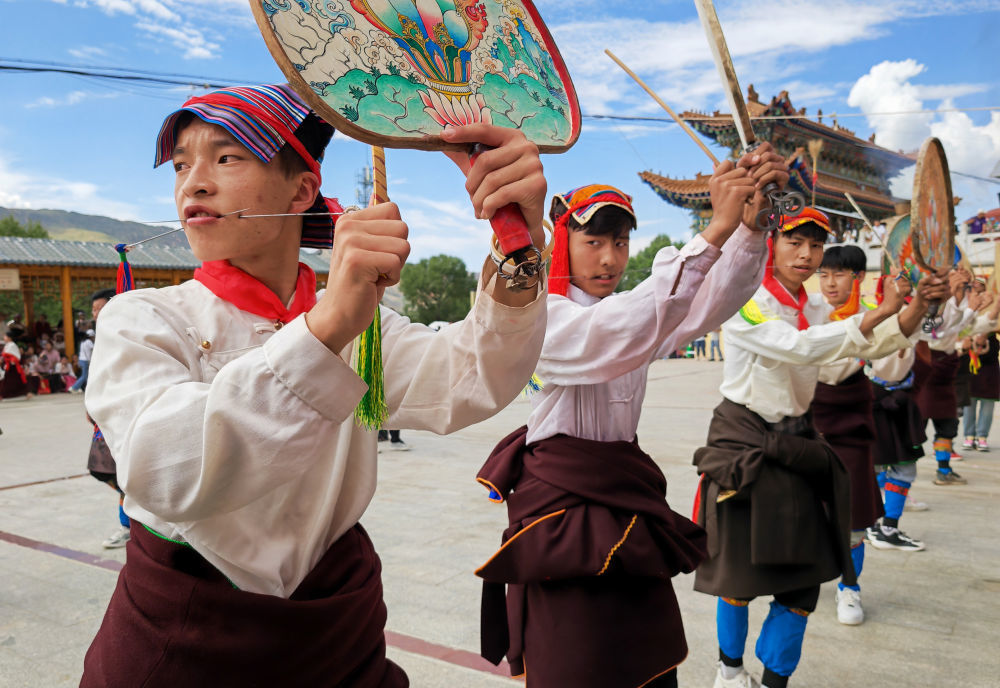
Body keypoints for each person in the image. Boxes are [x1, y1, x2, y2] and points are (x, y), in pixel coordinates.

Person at [81, 82, 549, 687]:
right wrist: (327, 326)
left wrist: (519, 240)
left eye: (226, 157)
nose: (193, 183)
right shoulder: (143, 317)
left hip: (336, 634)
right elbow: (165, 470)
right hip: (184, 640)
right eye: (180, 166)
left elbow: (473, 376)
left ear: (302, 188)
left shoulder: (363, 325)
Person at [476, 144, 789, 688]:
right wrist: (715, 229)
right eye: (592, 240)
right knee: (574, 658)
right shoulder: (542, 318)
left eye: (619, 242)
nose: (608, 258)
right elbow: (618, 333)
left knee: (642, 658)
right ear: (561, 243)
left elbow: (710, 301)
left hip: (624, 505)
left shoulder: (641, 313)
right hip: (565, 521)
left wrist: (751, 228)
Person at [692, 208, 915, 688]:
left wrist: (910, 311)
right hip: (744, 440)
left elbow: (837, 361)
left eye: (816, 245)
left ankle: (775, 682)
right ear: (771, 243)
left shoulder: (812, 308)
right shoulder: (746, 300)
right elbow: (800, 347)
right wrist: (879, 312)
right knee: (737, 577)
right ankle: (729, 673)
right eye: (796, 242)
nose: (808, 255)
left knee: (802, 583)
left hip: (797, 443)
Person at [811, 245, 948, 626]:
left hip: (852, 427)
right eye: (823, 274)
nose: (830, 282)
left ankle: (849, 587)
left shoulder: (869, 318)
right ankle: (804, 577)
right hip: (807, 426)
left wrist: (915, 305)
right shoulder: (807, 313)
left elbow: (889, 363)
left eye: (839, 274)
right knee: (806, 515)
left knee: (854, 519)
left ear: (858, 278)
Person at [962, 332, 999, 450]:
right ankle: (969, 436)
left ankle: (982, 437)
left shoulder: (993, 340)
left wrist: (983, 341)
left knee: (987, 409)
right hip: (970, 376)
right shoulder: (968, 336)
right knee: (968, 407)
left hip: (989, 378)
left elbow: (991, 355)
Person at [1, 331, 28, 399]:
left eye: (5, 336)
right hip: (9, 365)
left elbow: (16, 356)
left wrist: (10, 360)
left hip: (13, 365)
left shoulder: (12, 345)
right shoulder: (7, 345)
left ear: (9, 338)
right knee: (10, 380)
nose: (4, 338)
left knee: (13, 380)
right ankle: (27, 392)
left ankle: (1, 395)